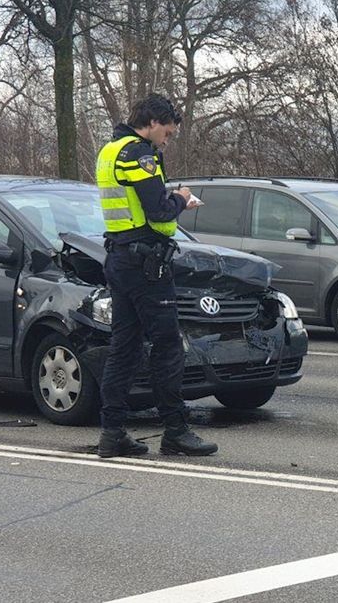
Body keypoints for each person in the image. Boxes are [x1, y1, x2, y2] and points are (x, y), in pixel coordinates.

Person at [95, 93, 216, 458]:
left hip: (120, 257)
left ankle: (112, 432)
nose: (168, 139)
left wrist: (169, 200)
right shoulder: (140, 152)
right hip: (146, 264)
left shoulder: (109, 151)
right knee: (167, 347)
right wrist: (181, 198)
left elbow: (133, 204)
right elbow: (160, 212)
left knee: (125, 347)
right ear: (151, 122)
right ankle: (175, 430)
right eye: (167, 132)